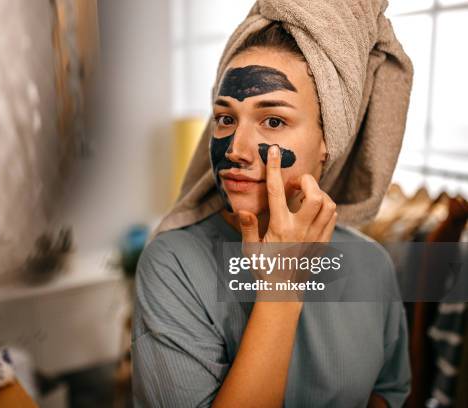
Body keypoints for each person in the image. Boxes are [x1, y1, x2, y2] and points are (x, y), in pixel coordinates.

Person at [131, 0, 414, 406]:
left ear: (327, 142)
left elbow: (388, 391)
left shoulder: (371, 264)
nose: (236, 149)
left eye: (274, 121)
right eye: (225, 118)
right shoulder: (173, 263)